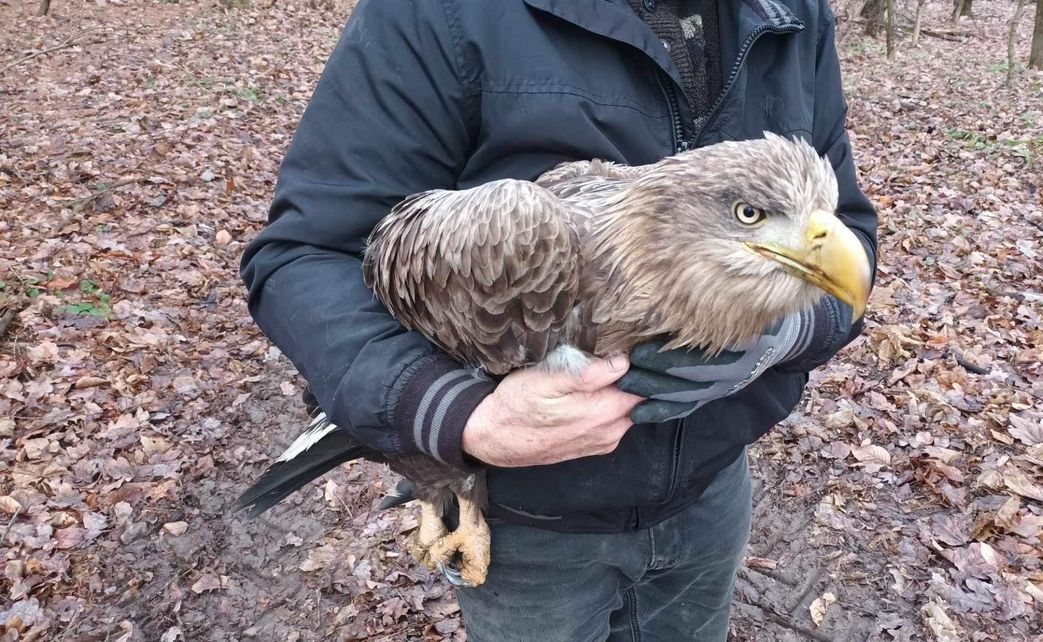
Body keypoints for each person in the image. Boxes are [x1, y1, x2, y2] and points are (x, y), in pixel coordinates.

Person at [240, 0, 878, 639]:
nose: (818, 241)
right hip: (532, 527)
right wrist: (450, 415)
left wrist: (793, 329)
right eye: (751, 217)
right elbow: (308, 255)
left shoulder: (795, 12)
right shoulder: (440, 19)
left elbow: (851, 234)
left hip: (710, 490)